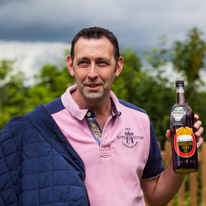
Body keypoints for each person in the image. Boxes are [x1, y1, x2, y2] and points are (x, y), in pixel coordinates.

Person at [0, 27, 204, 206]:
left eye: (102, 63)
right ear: (70, 65)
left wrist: (182, 158)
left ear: (118, 66)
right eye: (83, 63)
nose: (92, 73)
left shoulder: (139, 119)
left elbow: (156, 196)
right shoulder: (42, 125)